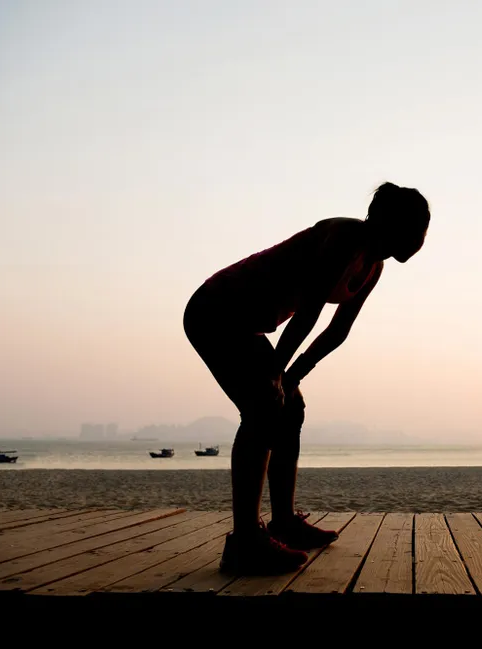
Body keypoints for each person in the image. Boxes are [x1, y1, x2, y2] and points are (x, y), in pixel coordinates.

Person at [183, 182, 429, 575]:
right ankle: (245, 540)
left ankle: (283, 521)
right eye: (417, 226)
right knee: (264, 407)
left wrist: (292, 374)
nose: (421, 238)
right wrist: (275, 375)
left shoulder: (373, 266)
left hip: (247, 326)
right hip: (216, 309)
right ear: (389, 221)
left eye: (424, 229)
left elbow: (337, 330)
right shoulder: (345, 236)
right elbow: (309, 313)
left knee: (290, 406)